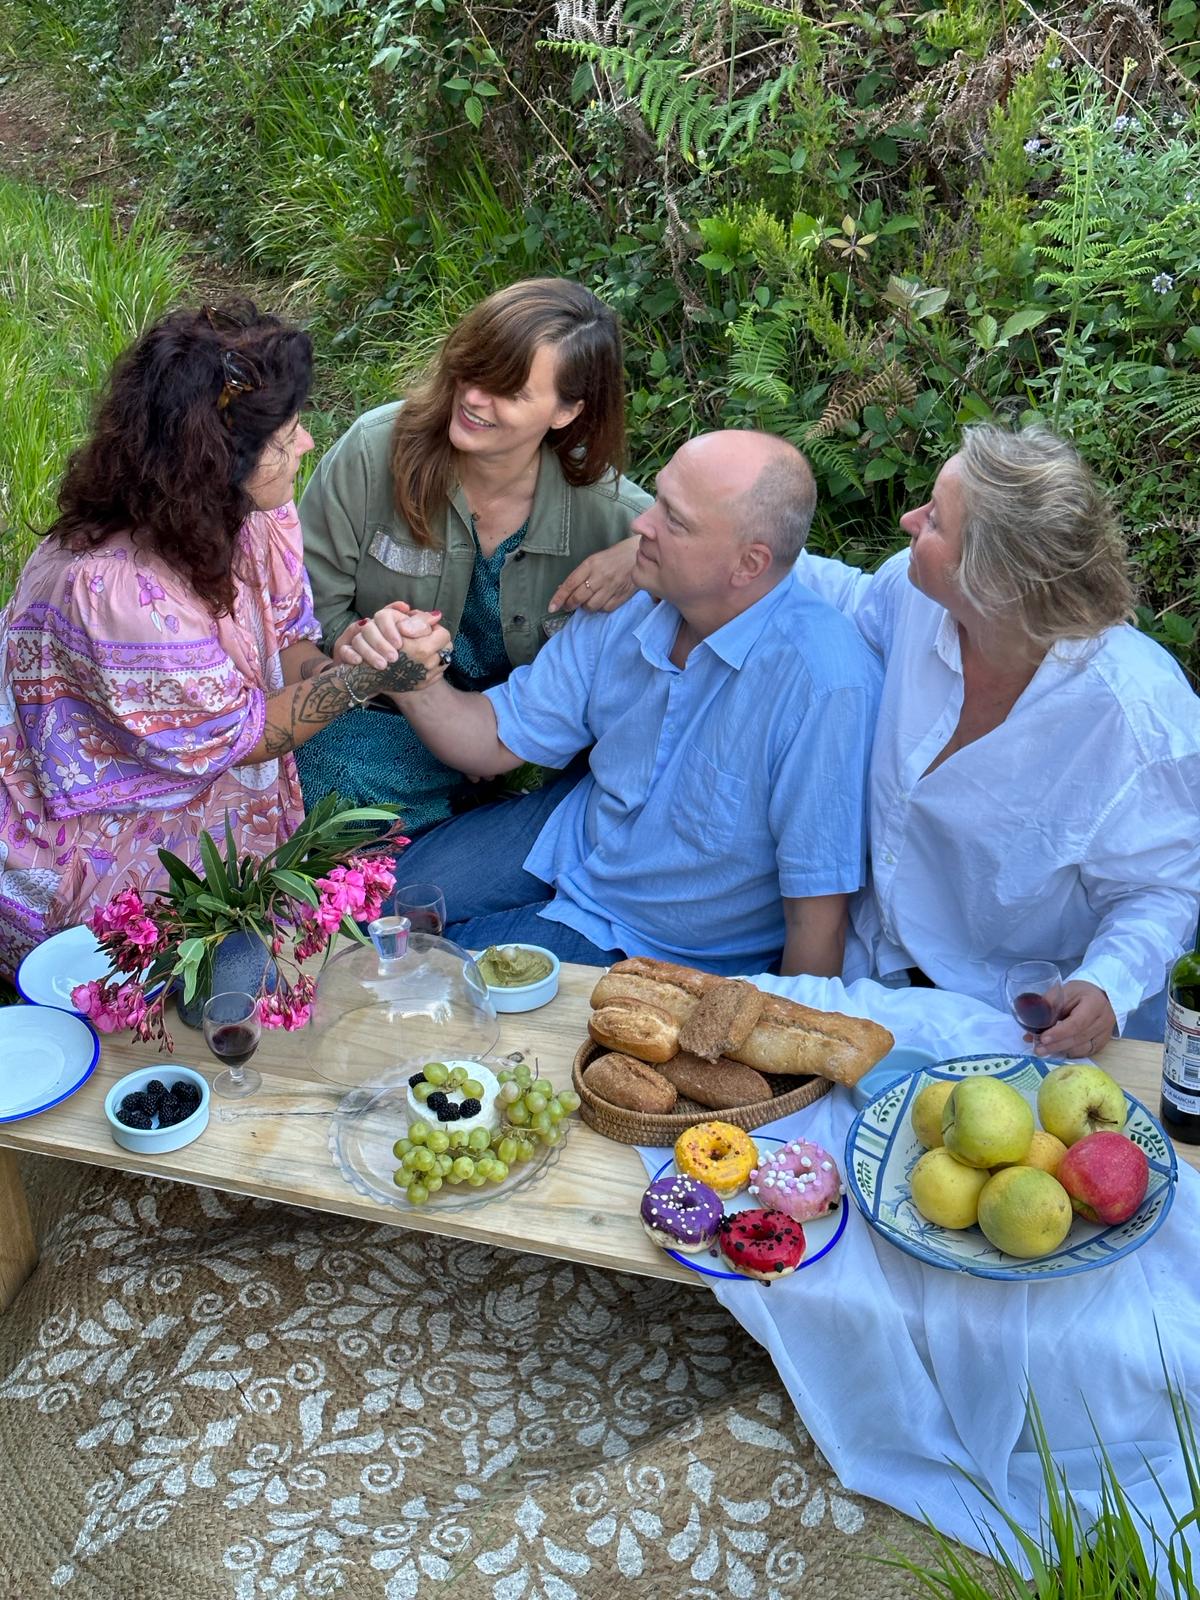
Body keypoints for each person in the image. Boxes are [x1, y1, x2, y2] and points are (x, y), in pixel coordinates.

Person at [0, 304, 450, 976]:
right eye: (288, 433)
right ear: (219, 460)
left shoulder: (248, 512)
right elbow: (245, 738)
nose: (305, 444)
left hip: (213, 805)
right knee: (219, 998)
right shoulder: (117, 593)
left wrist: (357, 654)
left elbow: (288, 641)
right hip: (103, 853)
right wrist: (361, 682)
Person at [335, 430, 882, 976]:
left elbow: (818, 919)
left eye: (674, 519)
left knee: (428, 977)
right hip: (568, 836)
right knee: (361, 916)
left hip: (655, 939)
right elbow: (495, 738)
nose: (640, 525)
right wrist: (412, 676)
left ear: (748, 564)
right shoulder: (635, 599)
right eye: (658, 500)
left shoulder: (825, 688)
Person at [793, 420, 1200, 1057]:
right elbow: (843, 597)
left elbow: (1162, 891)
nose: (908, 519)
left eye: (934, 521)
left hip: (1016, 1027)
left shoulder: (1137, 716)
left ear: (996, 584)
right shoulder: (916, 594)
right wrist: (671, 543)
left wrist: (1106, 986)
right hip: (874, 981)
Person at [295, 278, 652, 832]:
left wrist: (648, 553)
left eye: (510, 390)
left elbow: (745, 561)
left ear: (566, 411)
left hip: (514, 745)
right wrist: (357, 643)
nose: (475, 398)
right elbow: (301, 608)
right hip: (376, 715)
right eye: (475, 369)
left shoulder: (613, 515)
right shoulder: (373, 449)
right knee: (326, 783)